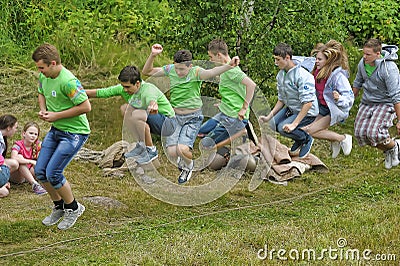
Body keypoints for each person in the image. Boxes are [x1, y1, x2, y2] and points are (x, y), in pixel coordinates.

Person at [142, 43, 240, 184]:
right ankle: (183, 159)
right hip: (174, 117)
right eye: (177, 69)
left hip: (192, 118)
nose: (179, 72)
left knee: (182, 149)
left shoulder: (196, 72)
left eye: (182, 69)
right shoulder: (171, 70)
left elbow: (213, 72)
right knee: (171, 152)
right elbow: (147, 71)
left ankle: (188, 166)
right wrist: (153, 55)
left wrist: (229, 65)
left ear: (190, 66)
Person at [32, 43, 91, 230]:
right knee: (40, 172)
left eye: (42, 67)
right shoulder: (44, 75)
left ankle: (73, 208)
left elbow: (85, 107)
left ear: (53, 63)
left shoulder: (69, 82)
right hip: (56, 130)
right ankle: (59, 206)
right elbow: (41, 92)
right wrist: (43, 110)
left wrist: (56, 115)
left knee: (54, 173)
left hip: (75, 133)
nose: (39, 71)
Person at [87, 65, 176, 164]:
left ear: (137, 84)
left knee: (136, 114)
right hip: (150, 118)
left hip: (168, 123)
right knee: (125, 109)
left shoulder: (148, 90)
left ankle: (151, 150)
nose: (125, 89)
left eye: (127, 87)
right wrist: (78, 92)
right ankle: (141, 145)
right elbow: (101, 92)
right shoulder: (124, 89)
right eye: (123, 86)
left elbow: (152, 100)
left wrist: (153, 106)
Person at [259, 43, 318, 158]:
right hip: (292, 108)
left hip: (308, 112)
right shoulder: (281, 75)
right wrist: (268, 116)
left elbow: (308, 103)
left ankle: (306, 138)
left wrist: (293, 124)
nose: (276, 63)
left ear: (287, 58)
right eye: (275, 59)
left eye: (278, 60)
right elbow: (281, 100)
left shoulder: (303, 76)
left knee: (282, 128)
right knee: (272, 124)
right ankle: (299, 138)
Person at [198, 39, 257, 150]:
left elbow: (251, 85)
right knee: (200, 132)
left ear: (219, 55)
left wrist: (244, 108)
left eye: (211, 57)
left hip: (234, 117)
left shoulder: (232, 71)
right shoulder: (226, 68)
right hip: (225, 112)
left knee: (205, 145)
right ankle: (230, 131)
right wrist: (223, 103)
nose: (210, 59)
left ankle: (242, 132)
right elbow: (234, 91)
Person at [301, 40, 354, 158]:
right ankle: (334, 140)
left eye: (320, 59)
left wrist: (339, 99)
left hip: (334, 109)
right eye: (316, 58)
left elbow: (349, 97)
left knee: (311, 130)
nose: (317, 61)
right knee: (305, 129)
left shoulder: (338, 76)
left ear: (328, 61)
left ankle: (343, 138)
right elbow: (299, 61)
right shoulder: (316, 69)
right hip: (322, 108)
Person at [353, 38, 400, 169]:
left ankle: (395, 146)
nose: (364, 56)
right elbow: (357, 83)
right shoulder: (362, 63)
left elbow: (396, 95)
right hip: (368, 101)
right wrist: (347, 103)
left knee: (375, 133)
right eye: (364, 53)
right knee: (360, 134)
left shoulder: (389, 68)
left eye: (368, 54)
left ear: (378, 54)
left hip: (385, 103)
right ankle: (389, 149)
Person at [10, 121, 47, 195]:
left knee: (41, 163)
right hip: (18, 176)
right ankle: (35, 185)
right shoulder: (18, 145)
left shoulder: (37, 145)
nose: (33, 136)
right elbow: (13, 158)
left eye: (35, 134)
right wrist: (30, 161)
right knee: (20, 159)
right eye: (31, 133)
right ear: (24, 133)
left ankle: (46, 183)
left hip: (29, 172)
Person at [0, 115, 19, 198]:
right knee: (4, 192)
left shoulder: (2, 138)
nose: (16, 130)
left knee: (14, 164)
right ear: (8, 128)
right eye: (15, 127)